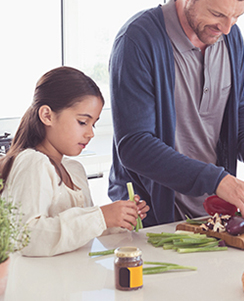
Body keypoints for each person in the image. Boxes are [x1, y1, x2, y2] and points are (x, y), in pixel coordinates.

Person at [107, 0, 244, 227]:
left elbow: (235, 106)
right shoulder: (138, 41)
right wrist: (217, 179)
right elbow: (134, 145)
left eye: (237, 16)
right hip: (150, 217)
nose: (226, 27)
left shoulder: (231, 37)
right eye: (217, 14)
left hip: (213, 214)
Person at [0, 67, 150, 256]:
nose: (91, 133)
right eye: (82, 122)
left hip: (73, 280)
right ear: (47, 115)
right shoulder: (33, 162)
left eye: (93, 123)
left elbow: (79, 234)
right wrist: (101, 217)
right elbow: (27, 237)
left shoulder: (74, 170)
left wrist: (118, 218)